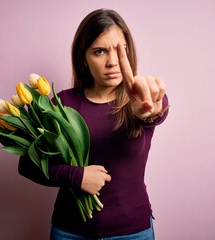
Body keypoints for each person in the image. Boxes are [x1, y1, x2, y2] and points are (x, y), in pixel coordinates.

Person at [18, 8, 169, 239]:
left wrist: (149, 111)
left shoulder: (144, 98)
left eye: (121, 50)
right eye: (99, 51)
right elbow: (28, 165)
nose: (112, 62)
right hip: (70, 231)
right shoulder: (61, 103)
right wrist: (76, 176)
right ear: (83, 59)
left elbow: (154, 112)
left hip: (132, 232)